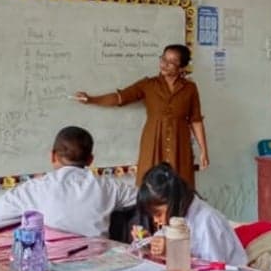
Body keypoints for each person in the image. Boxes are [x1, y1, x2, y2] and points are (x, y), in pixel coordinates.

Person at [75, 44, 209, 188]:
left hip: (180, 144)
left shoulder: (190, 88)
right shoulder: (148, 85)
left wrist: (203, 151)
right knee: (150, 185)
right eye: (163, 59)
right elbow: (120, 98)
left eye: (172, 62)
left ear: (182, 67)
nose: (164, 64)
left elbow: (196, 120)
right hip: (153, 141)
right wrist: (91, 99)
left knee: (180, 186)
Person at [0, 126, 138, 237]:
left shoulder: (36, 187)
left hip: (53, 264)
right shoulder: (108, 186)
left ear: (53, 156)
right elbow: (142, 196)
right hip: (101, 262)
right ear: (90, 160)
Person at [137, 163, 245, 266]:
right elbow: (165, 238)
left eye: (158, 214)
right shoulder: (176, 216)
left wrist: (174, 251)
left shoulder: (207, 221)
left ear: (173, 202)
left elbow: (214, 270)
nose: (156, 220)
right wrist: (150, 242)